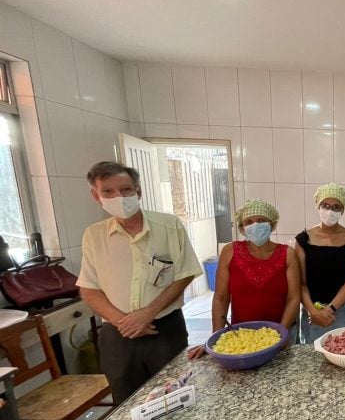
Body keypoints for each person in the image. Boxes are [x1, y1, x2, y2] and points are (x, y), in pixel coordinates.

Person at [78, 161, 202, 404]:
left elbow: (184, 273)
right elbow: (89, 288)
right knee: (126, 403)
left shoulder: (168, 226)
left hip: (163, 328)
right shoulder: (94, 236)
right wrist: (124, 322)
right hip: (118, 335)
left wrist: (147, 314)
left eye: (126, 190)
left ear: (138, 191)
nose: (119, 197)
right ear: (96, 195)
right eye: (108, 192)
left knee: (175, 396)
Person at [187, 199, 301, 359]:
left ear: (272, 225)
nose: (255, 225)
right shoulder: (230, 252)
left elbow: (294, 298)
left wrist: (280, 336)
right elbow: (221, 297)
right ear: (242, 228)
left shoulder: (287, 254)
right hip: (241, 337)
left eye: (261, 220)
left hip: (282, 335)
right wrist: (215, 340)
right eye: (249, 222)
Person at [295, 183, 345, 344]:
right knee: (313, 360)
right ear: (318, 206)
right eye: (326, 205)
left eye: (336, 207)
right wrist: (313, 311)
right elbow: (300, 282)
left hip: (344, 309)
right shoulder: (303, 240)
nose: (330, 211)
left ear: (342, 210)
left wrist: (331, 308)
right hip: (313, 312)